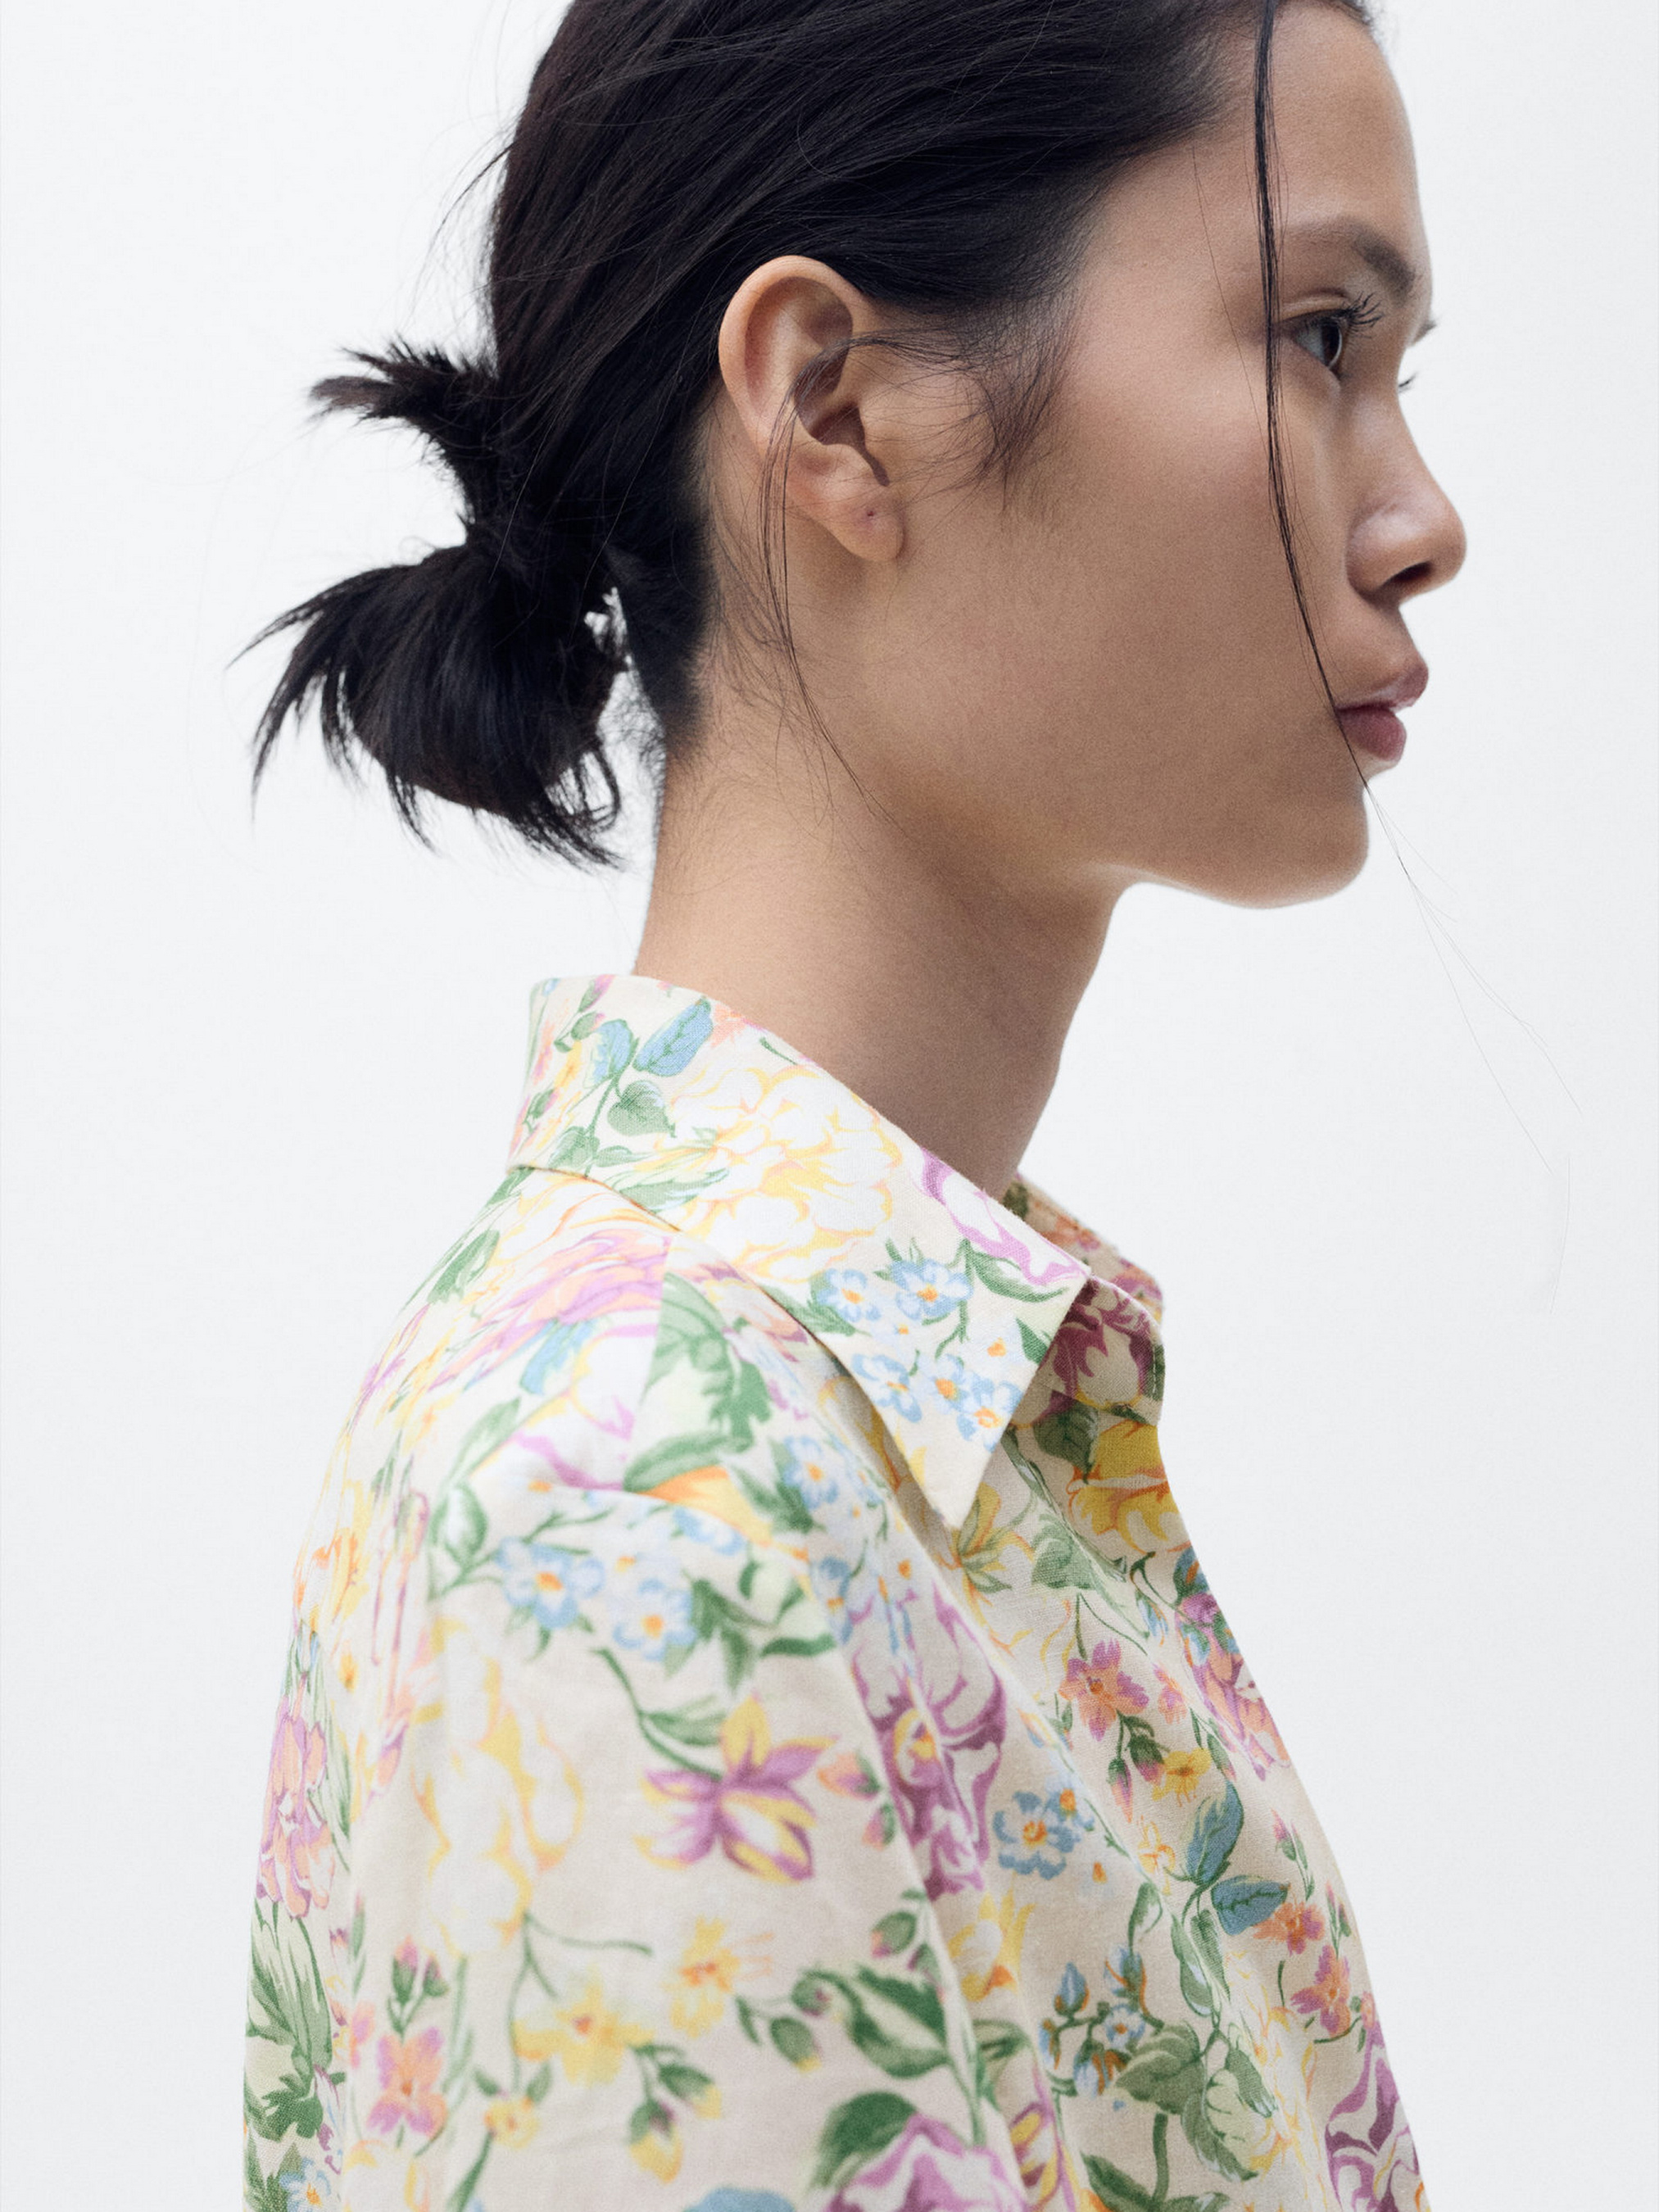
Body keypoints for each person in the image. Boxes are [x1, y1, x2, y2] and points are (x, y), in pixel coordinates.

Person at [242, 0, 1464, 2204]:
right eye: (1313, 338)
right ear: (834, 408)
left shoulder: (900, 1420)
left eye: (1397, 368)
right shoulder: (649, 1490)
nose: (1423, 521)